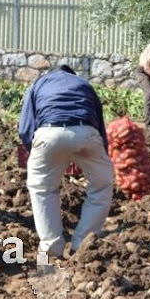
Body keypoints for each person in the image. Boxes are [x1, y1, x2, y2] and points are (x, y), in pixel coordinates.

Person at [19, 64, 114, 258]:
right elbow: (99, 122)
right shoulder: (83, 84)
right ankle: (82, 244)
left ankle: (51, 247)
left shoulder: (39, 83)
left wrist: (36, 152)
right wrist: (100, 153)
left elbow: (25, 128)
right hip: (86, 131)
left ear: (50, 73)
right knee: (101, 185)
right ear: (73, 75)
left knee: (42, 189)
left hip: (48, 133)